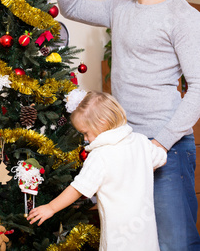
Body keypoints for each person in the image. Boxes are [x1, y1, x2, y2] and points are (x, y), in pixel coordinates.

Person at [45, 0, 200, 249]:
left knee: (176, 242)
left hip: (166, 148)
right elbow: (72, 6)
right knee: (131, 238)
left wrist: (161, 142)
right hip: (125, 144)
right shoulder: (120, 7)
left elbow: (198, 87)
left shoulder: (183, 16)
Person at [27, 90, 167, 250]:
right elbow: (161, 158)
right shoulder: (141, 142)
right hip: (145, 233)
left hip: (119, 237)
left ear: (102, 122)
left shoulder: (100, 155)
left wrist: (51, 207)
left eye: (85, 133)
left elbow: (78, 188)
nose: (85, 139)